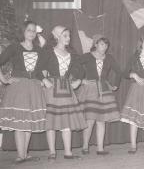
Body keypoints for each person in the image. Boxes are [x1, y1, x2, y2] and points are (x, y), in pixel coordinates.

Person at [36, 25, 86, 160]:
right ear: (57, 36)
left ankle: (68, 152)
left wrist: (79, 80)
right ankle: (52, 152)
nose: (68, 38)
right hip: (52, 88)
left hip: (66, 88)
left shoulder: (72, 54)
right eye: (65, 35)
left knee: (66, 120)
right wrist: (44, 80)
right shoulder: (48, 52)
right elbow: (37, 69)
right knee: (51, 121)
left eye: (69, 36)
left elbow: (80, 69)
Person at [0, 20, 46, 163]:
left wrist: (42, 80)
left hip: (33, 87)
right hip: (19, 87)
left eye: (34, 30)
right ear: (23, 32)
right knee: (20, 121)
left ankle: (25, 154)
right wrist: (4, 80)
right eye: (29, 30)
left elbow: (41, 70)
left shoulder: (39, 50)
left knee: (28, 121)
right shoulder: (14, 47)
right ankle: (21, 155)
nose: (32, 33)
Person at [77, 35, 121, 155]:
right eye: (102, 44)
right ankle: (85, 146)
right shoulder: (87, 56)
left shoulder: (109, 58)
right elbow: (73, 65)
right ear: (95, 44)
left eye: (106, 45)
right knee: (90, 119)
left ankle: (100, 148)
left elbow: (119, 72)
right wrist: (81, 80)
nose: (104, 47)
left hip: (104, 90)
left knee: (101, 120)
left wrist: (115, 85)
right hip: (90, 89)